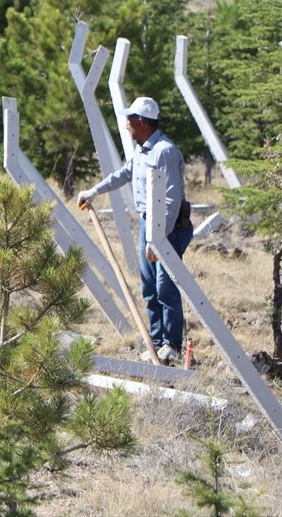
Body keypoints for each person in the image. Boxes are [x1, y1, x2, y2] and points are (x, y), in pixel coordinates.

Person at [77, 96, 193, 365]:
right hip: (147, 224)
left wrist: (159, 237)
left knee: (166, 288)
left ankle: (170, 346)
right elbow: (122, 175)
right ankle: (155, 344)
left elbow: (172, 199)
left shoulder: (164, 151)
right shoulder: (142, 151)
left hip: (167, 228)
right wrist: (95, 191)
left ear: (141, 122)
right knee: (149, 287)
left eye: (129, 120)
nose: (126, 125)